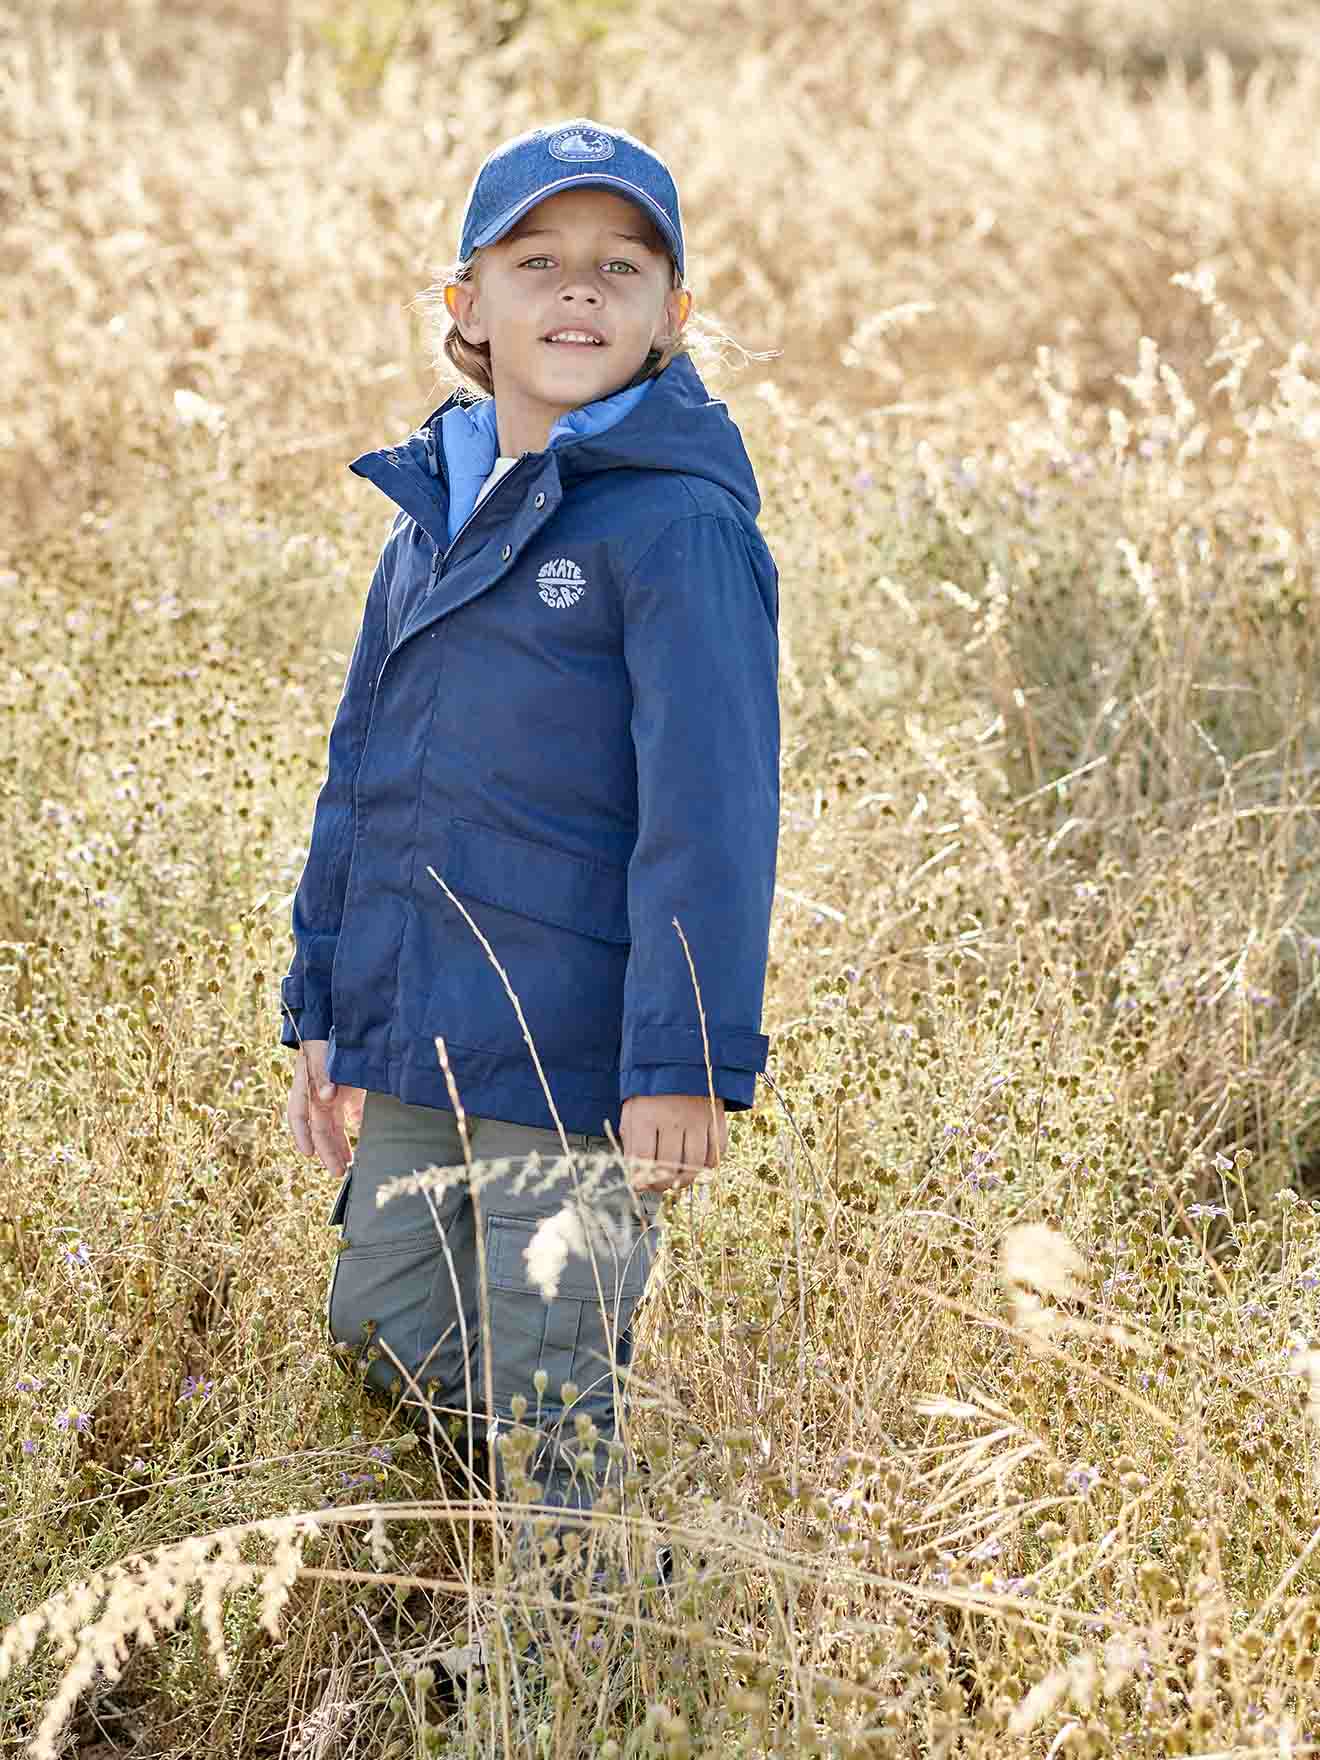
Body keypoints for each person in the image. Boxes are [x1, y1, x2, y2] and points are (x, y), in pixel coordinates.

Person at [279, 117, 780, 1531]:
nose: (578, 292)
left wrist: (683, 1058)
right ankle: (453, 1605)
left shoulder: (674, 527)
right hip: (420, 1030)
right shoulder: (430, 507)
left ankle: (574, 1665)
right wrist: (327, 1006)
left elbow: (713, 816)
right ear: (468, 306)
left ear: (670, 318)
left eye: (622, 268)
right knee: (383, 1337)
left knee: (551, 1383)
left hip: (573, 1055)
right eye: (537, 260)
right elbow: (364, 773)